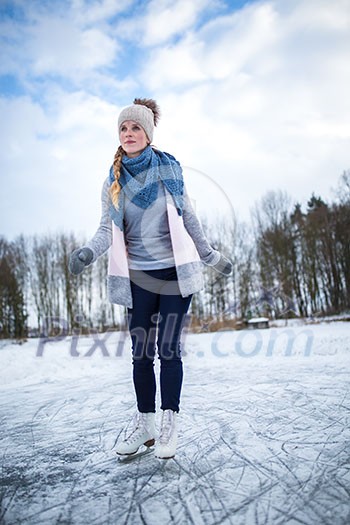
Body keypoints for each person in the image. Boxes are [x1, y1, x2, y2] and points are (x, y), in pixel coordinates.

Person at [69, 98, 232, 460]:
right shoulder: (112, 182)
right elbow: (105, 230)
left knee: (168, 349)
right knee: (141, 355)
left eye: (135, 128)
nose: (128, 133)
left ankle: (169, 426)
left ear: (148, 133)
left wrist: (210, 256)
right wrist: (87, 252)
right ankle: (146, 428)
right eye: (123, 128)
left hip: (174, 275)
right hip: (138, 278)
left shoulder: (169, 172)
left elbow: (190, 218)